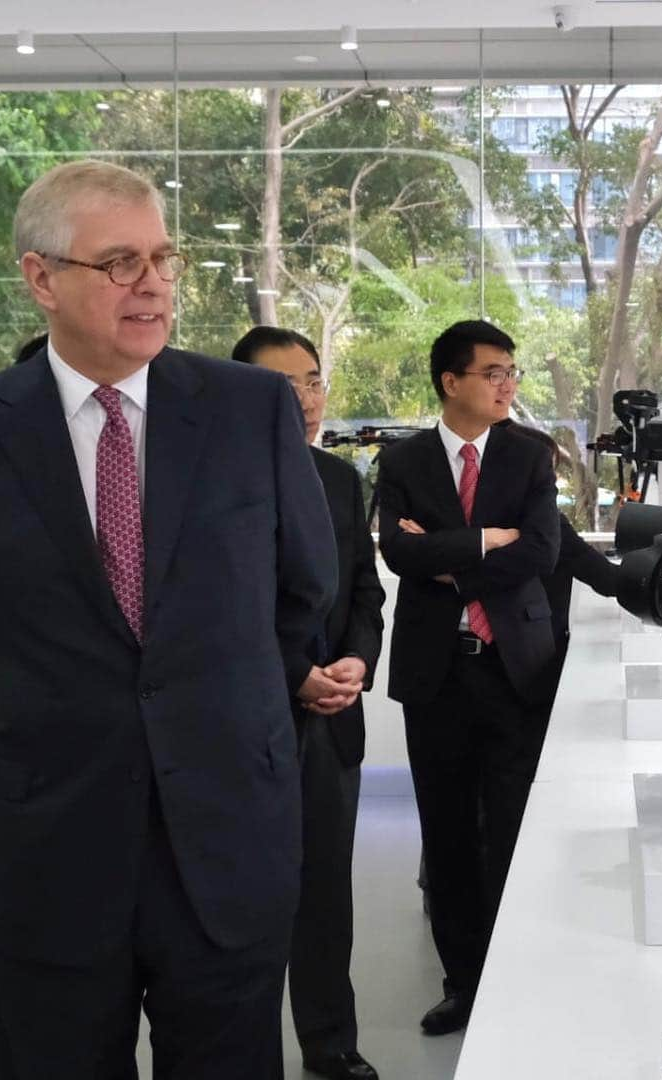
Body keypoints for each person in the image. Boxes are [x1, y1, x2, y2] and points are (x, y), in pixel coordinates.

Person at [0, 160, 337, 1080]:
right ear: (41, 277)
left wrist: (225, 712)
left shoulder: (248, 412)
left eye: (163, 257)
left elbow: (303, 590)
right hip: (47, 845)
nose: (154, 282)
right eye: (118, 262)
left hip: (229, 833)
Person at [376, 320, 560, 1036]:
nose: (507, 384)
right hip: (438, 676)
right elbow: (397, 553)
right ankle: (464, 985)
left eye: (512, 370)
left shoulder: (528, 456)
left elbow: (541, 552)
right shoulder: (405, 461)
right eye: (493, 372)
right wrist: (488, 539)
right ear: (451, 381)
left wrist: (445, 555)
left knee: (512, 836)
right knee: (448, 838)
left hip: (515, 671)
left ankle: (520, 979)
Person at [232, 326, 384, 1080]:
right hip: (244, 726)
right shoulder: (209, 479)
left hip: (332, 723)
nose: (306, 398)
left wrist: (355, 659)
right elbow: (217, 608)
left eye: (314, 380)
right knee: (243, 905)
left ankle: (330, 1043)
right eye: (284, 385)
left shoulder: (338, 479)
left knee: (326, 895)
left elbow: (364, 589)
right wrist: (295, 672)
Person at [499, 422, 619, 709]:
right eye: (546, 470)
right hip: (534, 661)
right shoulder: (548, 525)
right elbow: (604, 577)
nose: (551, 479)